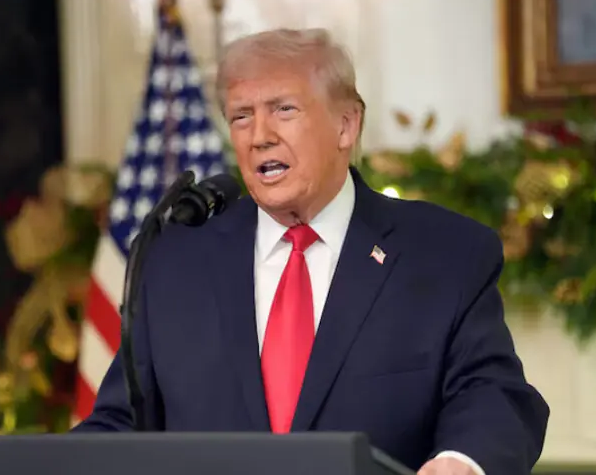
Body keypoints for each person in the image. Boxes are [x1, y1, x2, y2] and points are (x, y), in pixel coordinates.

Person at [73, 28, 549, 475]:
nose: (259, 135)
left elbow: (493, 392)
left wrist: (462, 460)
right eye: (241, 116)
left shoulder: (443, 254)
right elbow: (122, 422)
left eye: (283, 110)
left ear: (347, 125)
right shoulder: (177, 261)